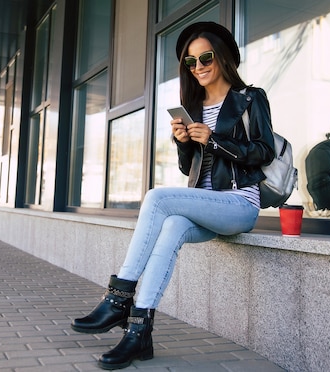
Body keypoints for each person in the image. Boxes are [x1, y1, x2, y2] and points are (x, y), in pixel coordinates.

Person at [71, 21, 276, 370]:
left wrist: (213, 139)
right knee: (170, 228)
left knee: (157, 197)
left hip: (240, 204)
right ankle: (138, 332)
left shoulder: (249, 98)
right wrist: (184, 143)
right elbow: (189, 170)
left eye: (206, 58)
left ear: (223, 57)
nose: (198, 67)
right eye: (190, 63)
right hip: (207, 208)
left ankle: (118, 297)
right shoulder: (193, 105)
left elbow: (264, 151)